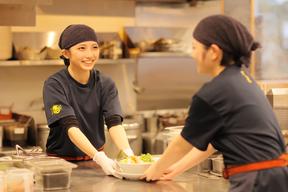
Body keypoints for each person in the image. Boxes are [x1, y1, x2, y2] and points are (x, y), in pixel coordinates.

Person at [143, 15, 288, 191]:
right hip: (274, 176)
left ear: (213, 52)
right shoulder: (241, 77)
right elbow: (212, 142)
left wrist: (154, 170)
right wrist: (175, 169)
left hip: (257, 180)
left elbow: (183, 143)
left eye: (195, 48)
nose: (192, 54)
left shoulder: (215, 92)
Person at [43, 24, 134, 178]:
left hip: (95, 164)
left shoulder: (105, 83)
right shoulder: (55, 84)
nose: (90, 54)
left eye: (94, 47)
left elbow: (114, 123)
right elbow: (70, 128)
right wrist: (98, 157)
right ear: (66, 53)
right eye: (82, 48)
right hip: (61, 164)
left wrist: (128, 153)